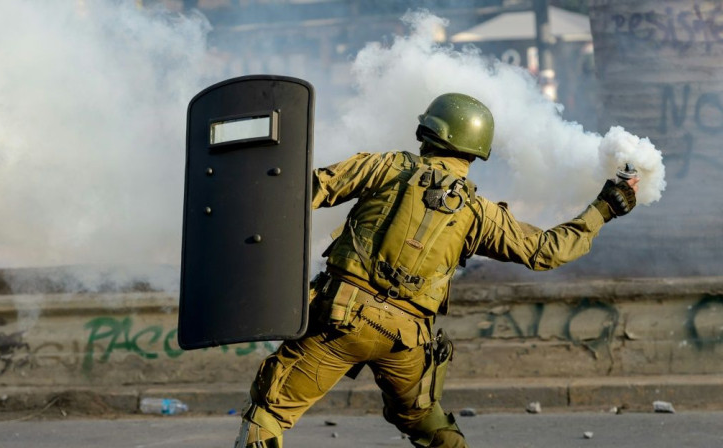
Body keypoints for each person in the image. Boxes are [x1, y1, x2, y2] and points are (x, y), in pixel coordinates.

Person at [234, 93, 638, 448]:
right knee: (426, 423)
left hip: (342, 320)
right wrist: (605, 207)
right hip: (406, 343)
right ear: (476, 148)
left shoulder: (386, 166)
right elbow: (547, 251)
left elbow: (304, 192)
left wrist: (245, 200)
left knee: (269, 412)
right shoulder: (481, 213)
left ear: (428, 132)